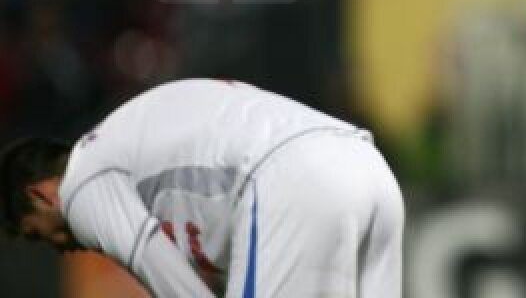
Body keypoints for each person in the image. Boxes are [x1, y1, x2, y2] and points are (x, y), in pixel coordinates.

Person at [1, 78, 404, 297]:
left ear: (42, 193)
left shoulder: (82, 179)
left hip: (289, 175)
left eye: (39, 233)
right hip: (367, 164)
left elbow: (156, 263)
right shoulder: (127, 144)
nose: (60, 247)